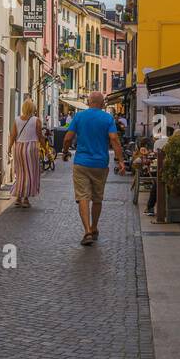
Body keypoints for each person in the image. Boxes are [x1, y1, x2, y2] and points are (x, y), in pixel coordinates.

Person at [64, 92, 124, 245]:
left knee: (83, 197)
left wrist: (65, 152)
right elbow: (114, 139)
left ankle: (87, 231)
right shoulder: (108, 118)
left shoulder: (79, 116)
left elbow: (68, 138)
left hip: (81, 163)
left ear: (89, 102)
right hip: (100, 164)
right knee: (97, 198)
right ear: (103, 103)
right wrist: (121, 161)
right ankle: (94, 226)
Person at [10, 98, 43, 208]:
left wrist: (9, 147)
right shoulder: (36, 120)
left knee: (20, 173)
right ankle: (25, 199)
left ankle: (18, 197)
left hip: (19, 147)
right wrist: (47, 150)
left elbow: (13, 135)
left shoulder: (16, 120)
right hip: (31, 148)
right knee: (29, 173)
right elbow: (40, 136)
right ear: (32, 108)